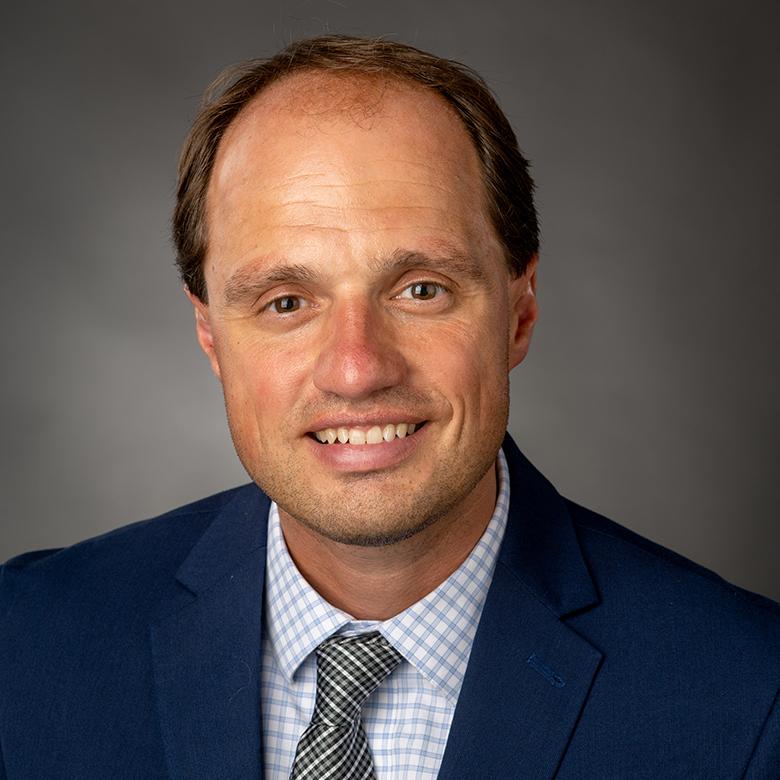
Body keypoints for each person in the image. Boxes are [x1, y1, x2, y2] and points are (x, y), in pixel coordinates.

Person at [1, 35, 778, 779]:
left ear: (519, 312)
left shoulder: (748, 698)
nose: (356, 369)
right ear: (211, 337)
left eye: (421, 290)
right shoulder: (26, 646)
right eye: (286, 301)